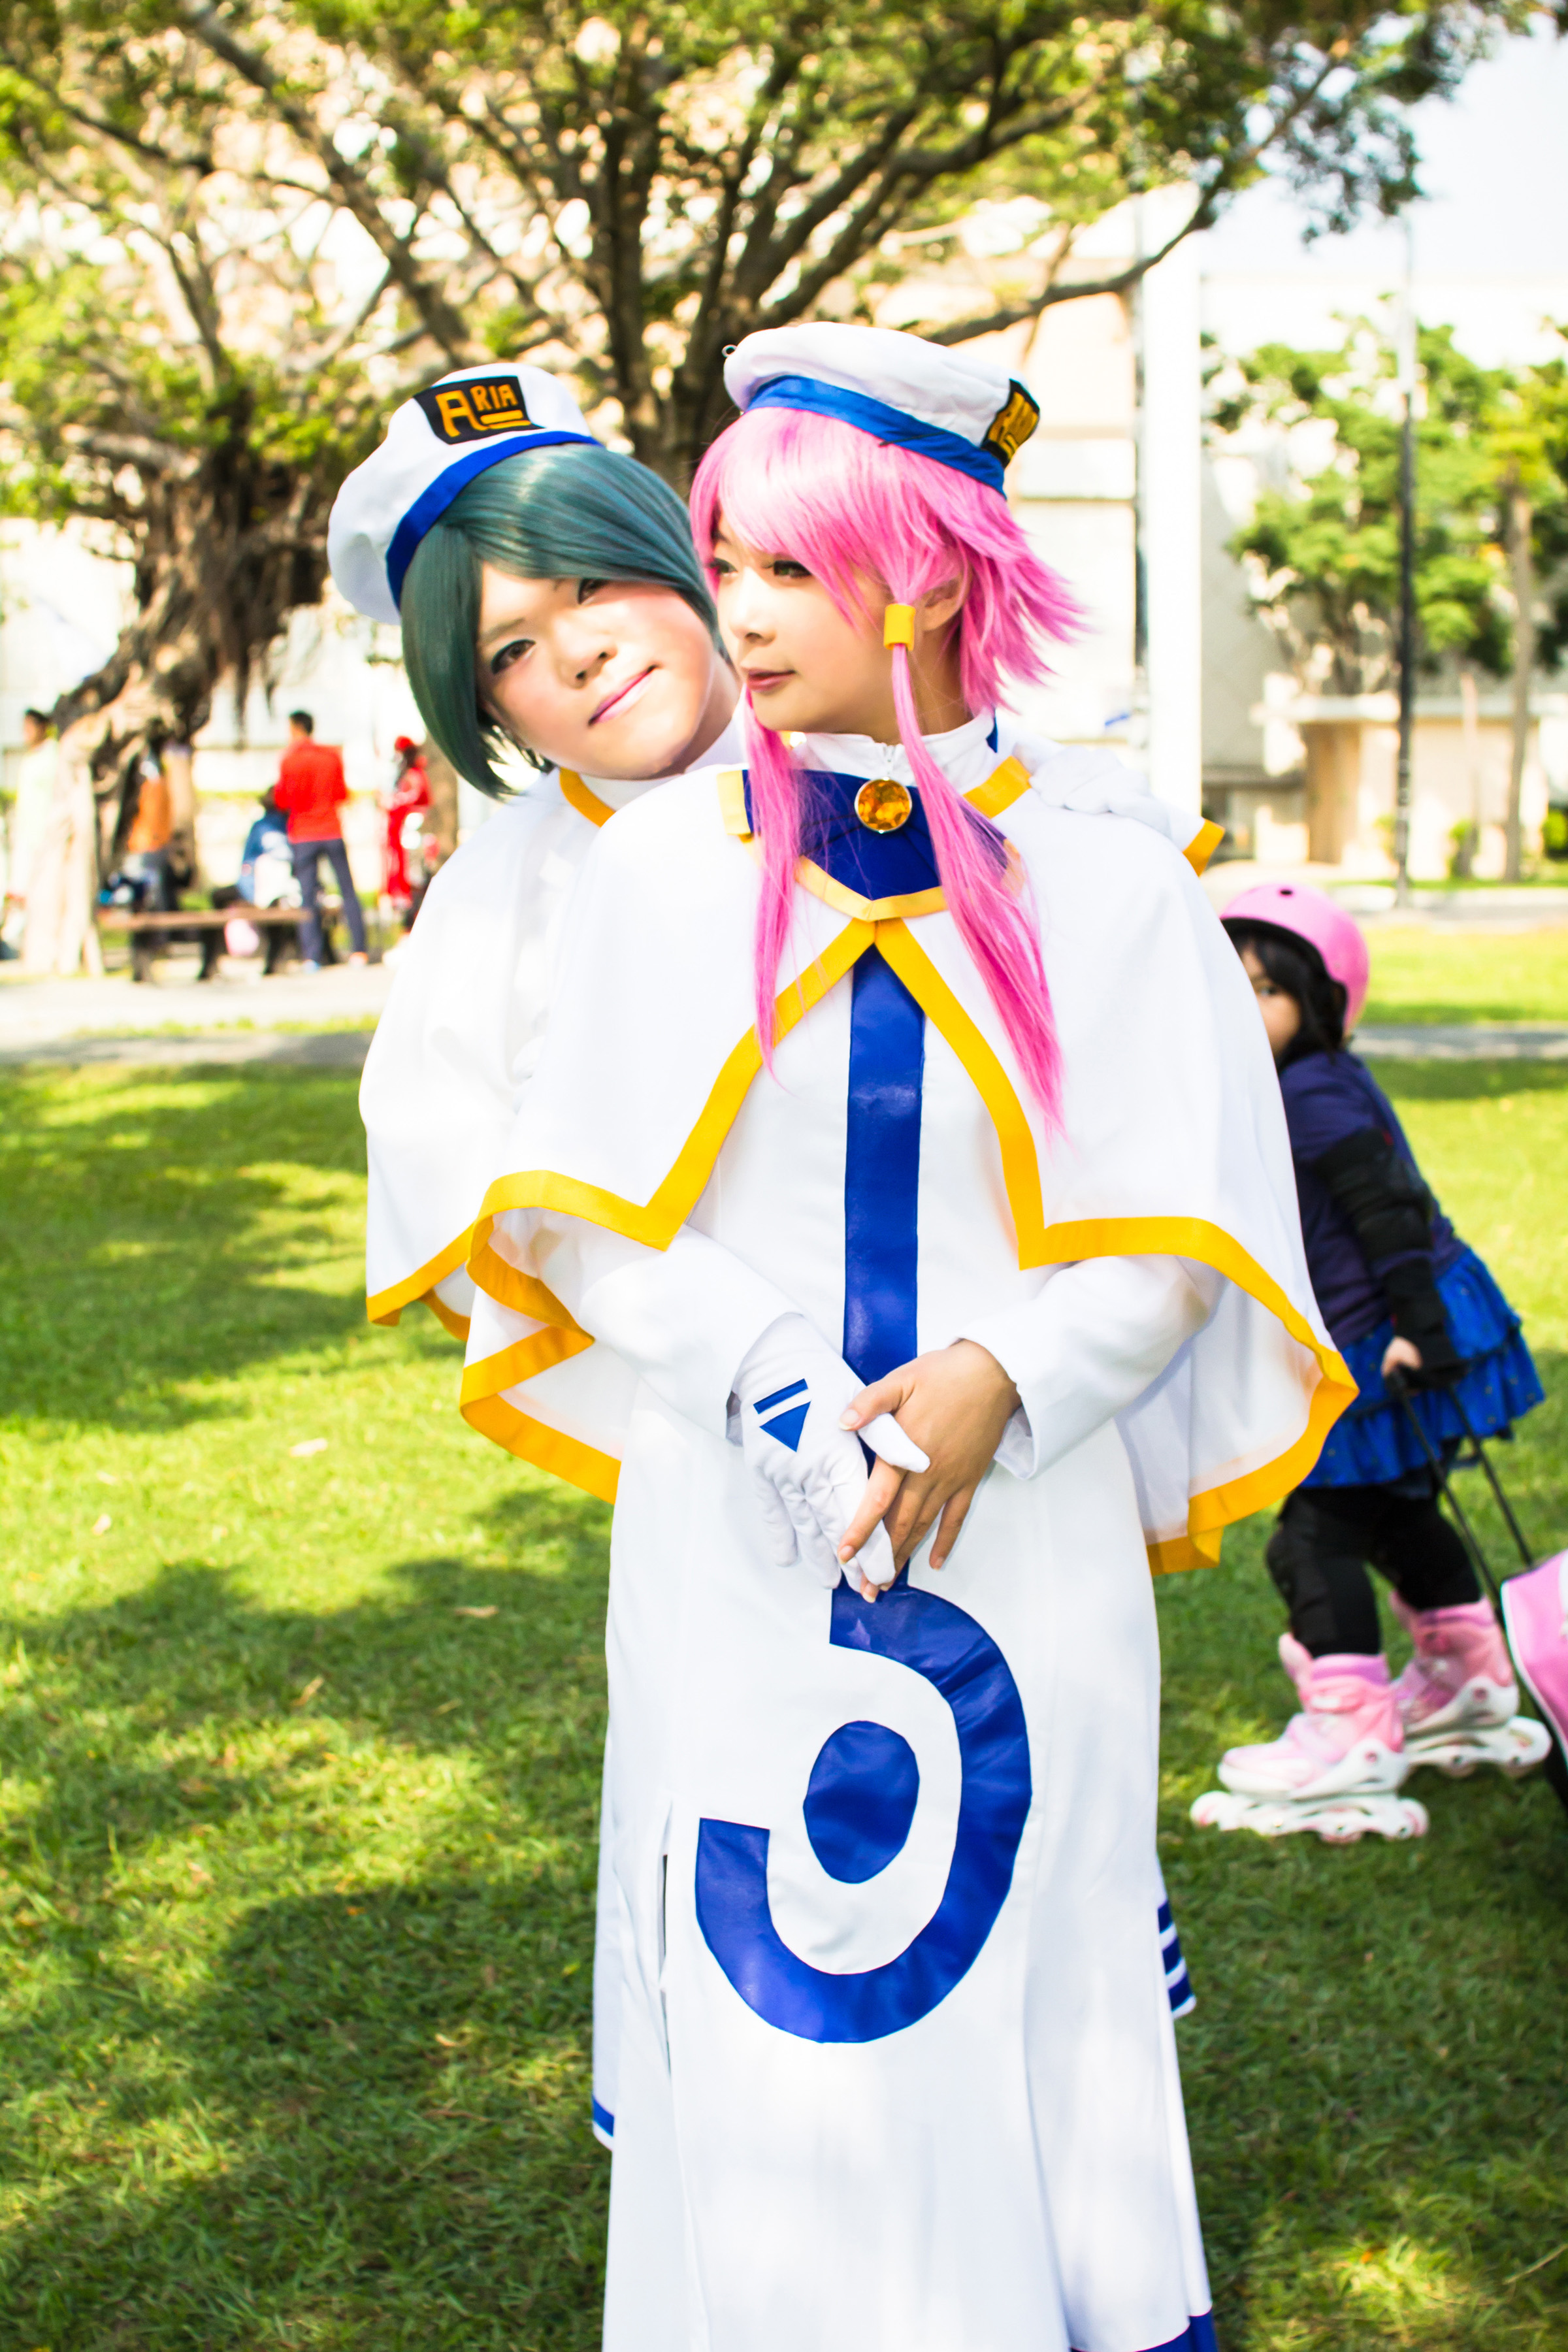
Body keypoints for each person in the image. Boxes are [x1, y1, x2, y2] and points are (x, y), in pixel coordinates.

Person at [459, 324, 1352, 2352]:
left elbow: (1186, 1222)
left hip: (1018, 1532)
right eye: (724, 563)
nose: (739, 613)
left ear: (927, 574)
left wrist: (1003, 1381)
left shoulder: (1114, 876)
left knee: (1022, 1936)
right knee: (753, 1960)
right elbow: (575, 1214)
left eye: (789, 565)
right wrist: (782, 1384)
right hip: (732, 1529)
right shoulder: (659, 871)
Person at [1194, 883, 1548, 1843]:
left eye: (1268, 989)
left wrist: (1418, 1332)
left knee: (1311, 1537)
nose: (1244, 1003)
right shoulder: (1310, 1080)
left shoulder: (1311, 1094)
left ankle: (1349, 1733)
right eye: (1231, 980)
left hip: (1391, 1331)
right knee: (1398, 1512)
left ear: (1320, 1002)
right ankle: (1471, 1681)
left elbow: (1387, 1212)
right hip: (1401, 1321)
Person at [272, 711, 368, 968]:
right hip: (331, 829)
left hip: (303, 833)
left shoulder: (289, 760)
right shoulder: (331, 756)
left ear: (295, 729)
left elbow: (282, 800)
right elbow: (341, 793)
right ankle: (359, 950)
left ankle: (312, 957)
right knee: (347, 890)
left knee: (307, 895)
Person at [382, 736, 431, 911]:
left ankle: (413, 902)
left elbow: (417, 795)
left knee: (413, 867)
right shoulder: (407, 773)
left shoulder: (416, 773)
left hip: (412, 825)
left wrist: (398, 801)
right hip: (402, 826)